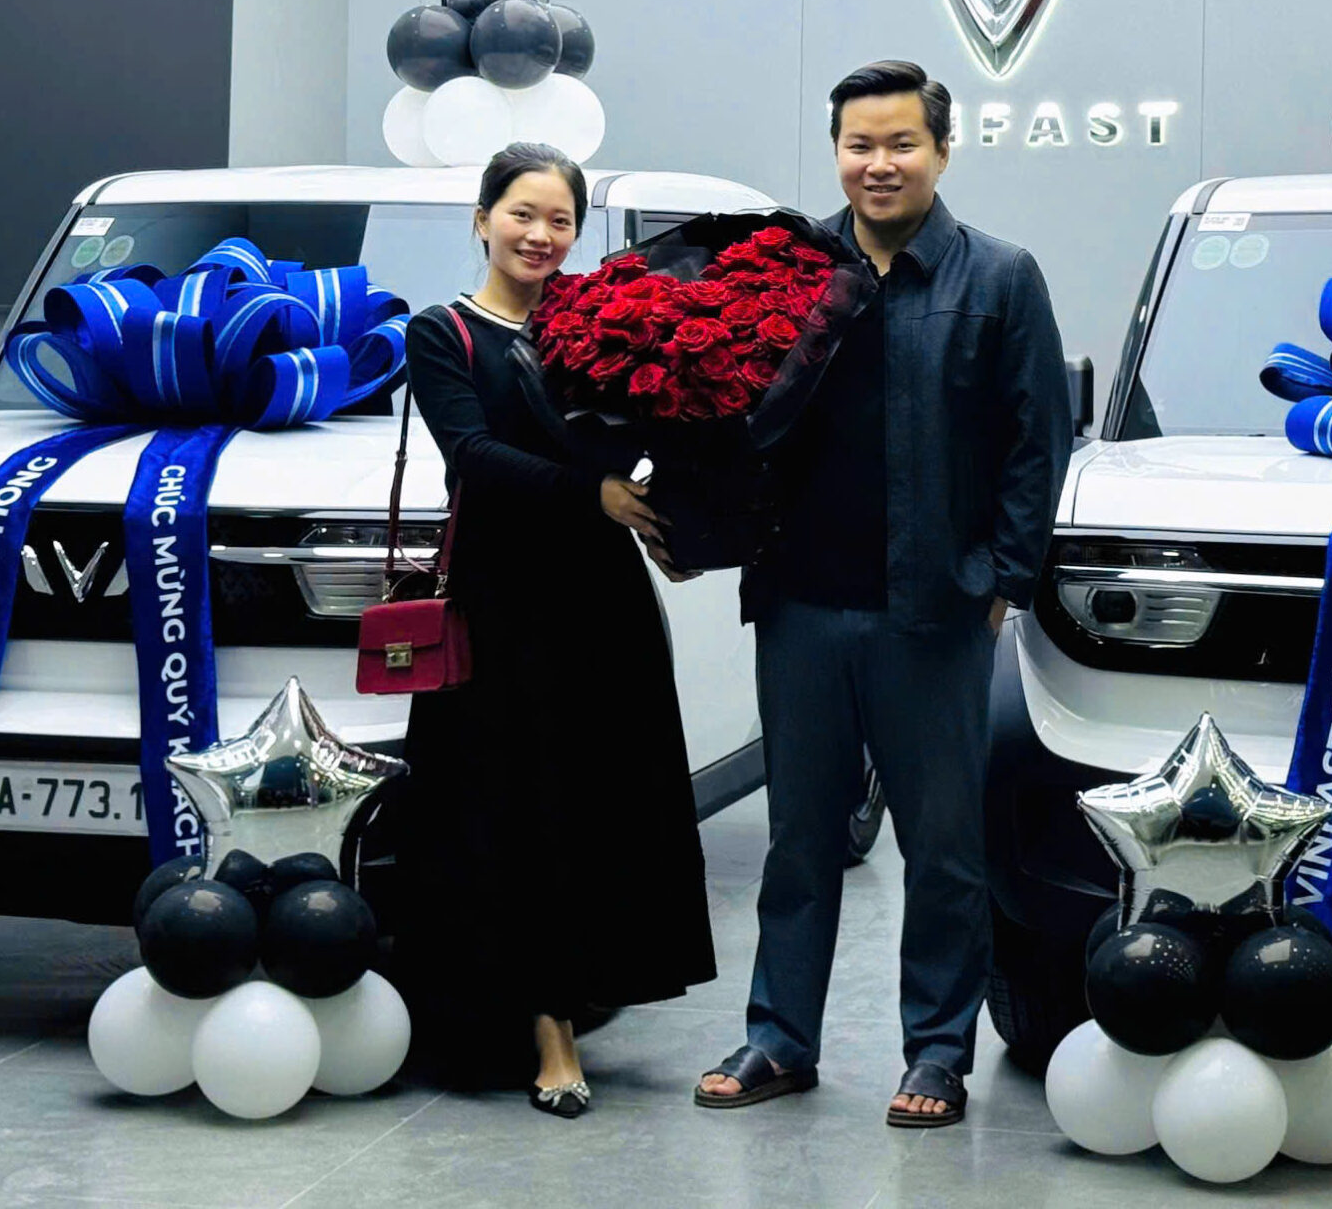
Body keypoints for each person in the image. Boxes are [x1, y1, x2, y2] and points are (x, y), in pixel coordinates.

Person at [696, 59, 1073, 1129]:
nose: (879, 163)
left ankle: (938, 1052)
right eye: (859, 144)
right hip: (800, 606)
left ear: (942, 151)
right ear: (836, 153)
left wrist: (1000, 582)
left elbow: (1038, 442)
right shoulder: (787, 273)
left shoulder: (999, 277)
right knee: (799, 842)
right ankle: (780, 1037)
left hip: (934, 613)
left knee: (942, 850)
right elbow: (723, 415)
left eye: (901, 143)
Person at [390, 142, 717, 1117]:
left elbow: (652, 443)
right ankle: (547, 1034)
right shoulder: (443, 332)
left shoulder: (602, 325)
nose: (540, 235)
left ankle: (579, 993)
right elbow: (473, 455)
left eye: (560, 220)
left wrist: (671, 515)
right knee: (514, 811)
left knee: (597, 807)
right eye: (522, 214)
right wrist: (595, 495)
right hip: (501, 605)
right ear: (482, 220)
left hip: (600, 599)